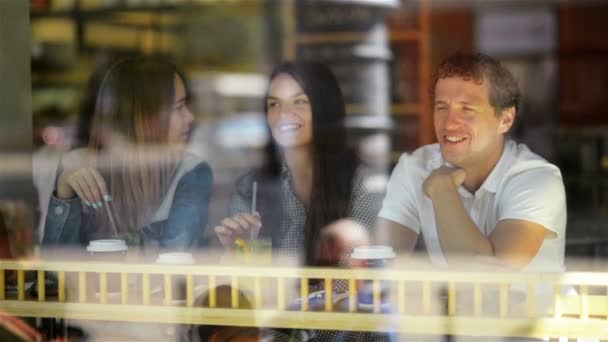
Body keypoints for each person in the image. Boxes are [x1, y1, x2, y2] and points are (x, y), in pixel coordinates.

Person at [213, 62, 390, 341]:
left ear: (324, 109)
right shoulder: (251, 188)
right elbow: (244, 298)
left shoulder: (361, 184)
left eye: (299, 102)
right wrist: (237, 254)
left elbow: (352, 293)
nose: (284, 114)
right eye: (274, 104)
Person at [376, 52, 567, 272]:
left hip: (532, 307)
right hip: (454, 306)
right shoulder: (416, 167)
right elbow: (381, 258)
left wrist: (442, 190)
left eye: (467, 109)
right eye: (441, 108)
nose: (449, 124)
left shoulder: (538, 178)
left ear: (505, 120)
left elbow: (491, 279)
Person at [42, 57, 213, 250]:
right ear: (143, 118)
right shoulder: (76, 165)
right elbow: (54, 268)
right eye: (179, 108)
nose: (190, 117)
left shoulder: (192, 172)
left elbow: (174, 265)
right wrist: (65, 191)